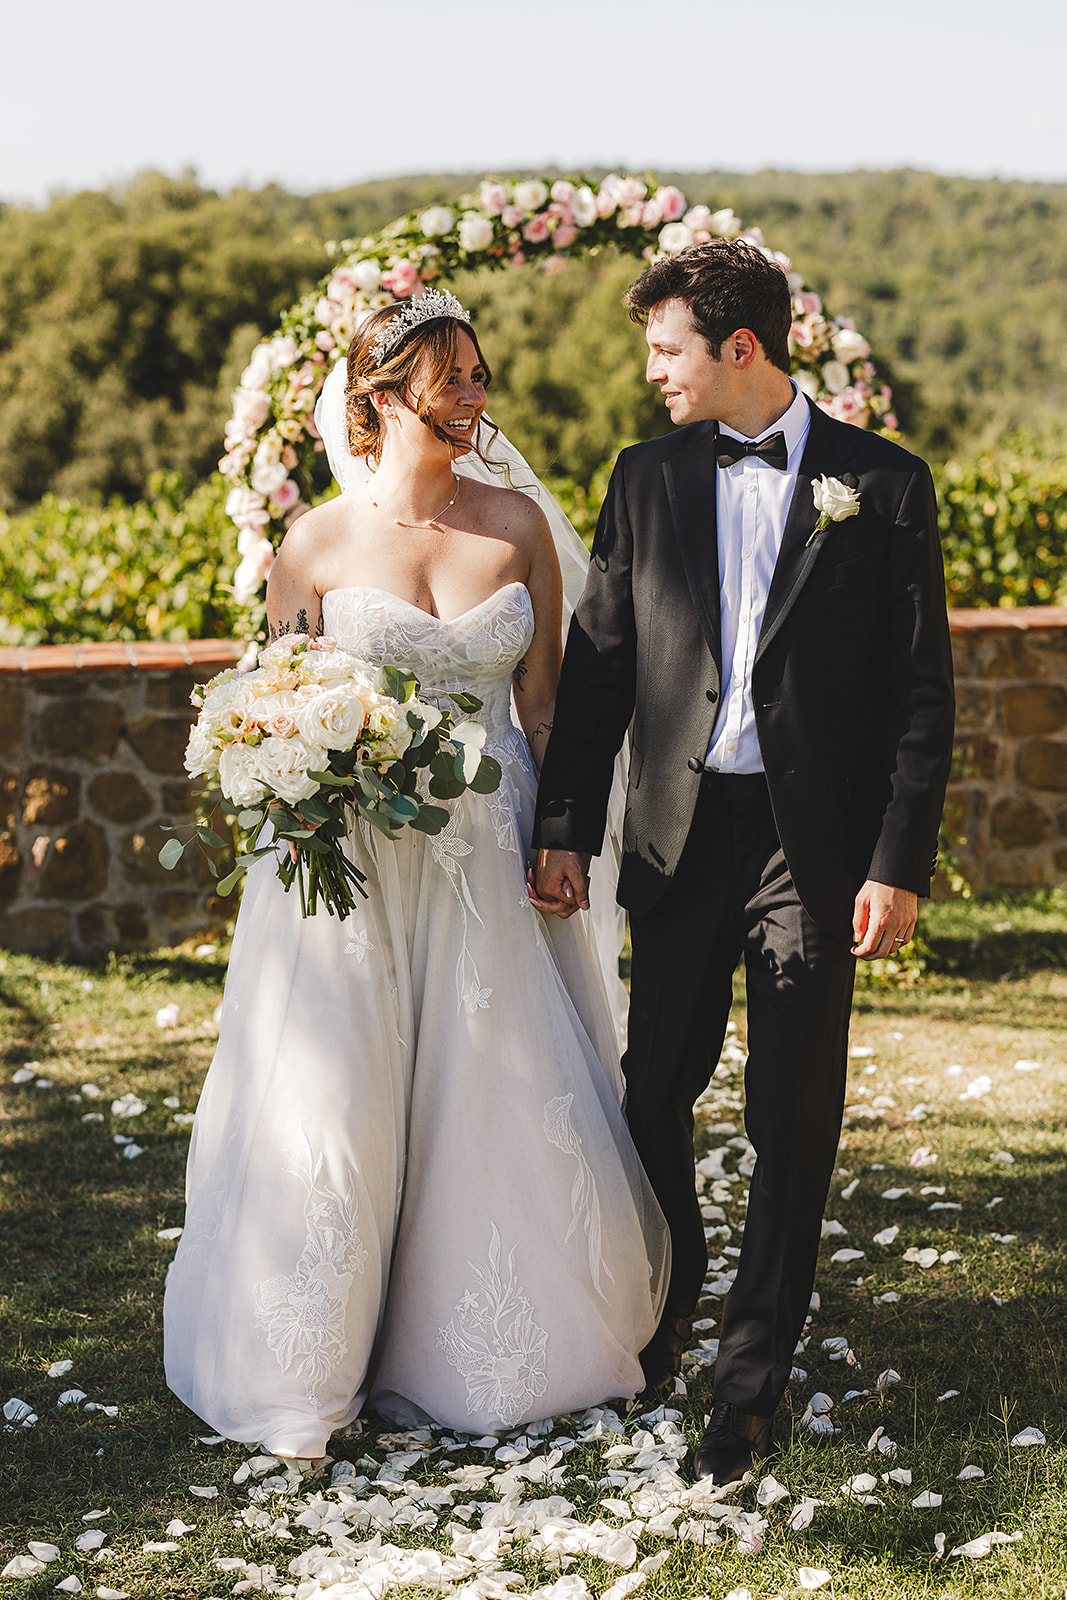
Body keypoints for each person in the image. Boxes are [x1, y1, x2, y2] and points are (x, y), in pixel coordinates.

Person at [163, 290, 669, 1459]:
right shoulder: (315, 545)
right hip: (354, 854)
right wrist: (297, 783)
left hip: (489, 847)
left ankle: (493, 1338)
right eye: (452, 380)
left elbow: (541, 706)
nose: (476, 398)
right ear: (382, 397)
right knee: (343, 1097)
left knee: (486, 1084)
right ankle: (309, 1358)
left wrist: (562, 838)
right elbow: (274, 702)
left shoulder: (516, 529)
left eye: (481, 375)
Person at [533, 240, 954, 1483]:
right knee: (650, 1081)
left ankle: (747, 1381)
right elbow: (602, 662)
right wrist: (562, 826)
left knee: (789, 1111)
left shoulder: (881, 484)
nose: (650, 372)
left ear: (739, 349)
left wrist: (897, 861)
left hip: (809, 848)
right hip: (673, 833)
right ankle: (682, 1283)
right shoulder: (645, 476)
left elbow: (917, 696)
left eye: (665, 350)